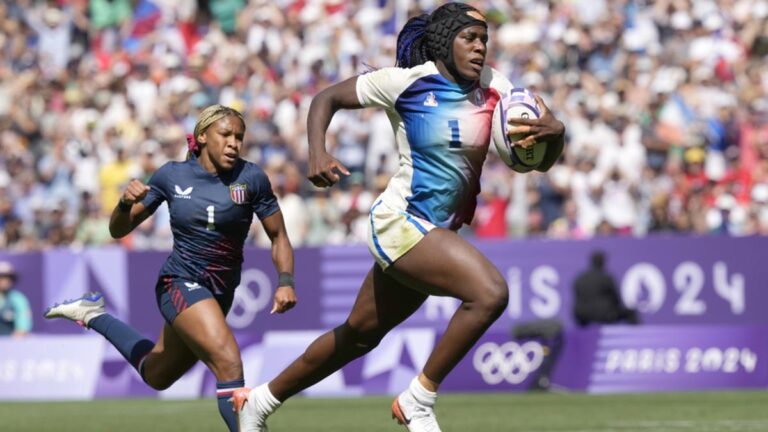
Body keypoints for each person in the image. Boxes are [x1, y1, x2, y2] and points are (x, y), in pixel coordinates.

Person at [238, 4, 565, 431]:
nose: (480, 47)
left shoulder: (497, 88)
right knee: (489, 293)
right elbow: (326, 98)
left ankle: (259, 402)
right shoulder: (407, 83)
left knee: (358, 334)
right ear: (445, 42)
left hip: (433, 233)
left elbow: (535, 161)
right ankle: (418, 399)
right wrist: (317, 151)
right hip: (401, 222)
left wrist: (555, 135)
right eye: (470, 38)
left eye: (484, 39)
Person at [44, 105, 298, 432]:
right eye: (226, 135)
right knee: (229, 361)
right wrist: (124, 203)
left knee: (157, 374)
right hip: (178, 283)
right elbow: (118, 230)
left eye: (239, 137)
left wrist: (286, 281)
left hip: (221, 293)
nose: (234, 143)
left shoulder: (252, 178)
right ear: (203, 136)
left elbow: (278, 235)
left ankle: (93, 315)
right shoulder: (171, 175)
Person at [573, 250, 640, 327]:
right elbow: (615, 299)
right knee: (630, 312)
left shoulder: (580, 278)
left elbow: (576, 297)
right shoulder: (606, 278)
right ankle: (640, 336)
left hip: (582, 315)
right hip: (603, 314)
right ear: (603, 262)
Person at [0, 261, 32, 337]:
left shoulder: (18, 298)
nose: (6, 281)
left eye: (9, 277)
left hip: (10, 343)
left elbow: (23, 327)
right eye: (2, 277)